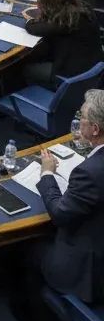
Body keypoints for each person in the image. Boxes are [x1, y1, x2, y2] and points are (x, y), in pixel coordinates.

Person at [36, 89, 104, 304]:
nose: (78, 120)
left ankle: (37, 318)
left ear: (95, 129)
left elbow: (59, 214)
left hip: (88, 268)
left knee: (26, 252)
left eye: (81, 117)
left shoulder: (90, 172)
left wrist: (47, 174)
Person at [21, 0, 103, 87]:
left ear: (50, 4)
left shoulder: (68, 20)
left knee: (24, 68)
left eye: (40, 3)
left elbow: (34, 28)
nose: (38, 6)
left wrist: (29, 20)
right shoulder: (79, 6)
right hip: (91, 65)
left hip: (74, 75)